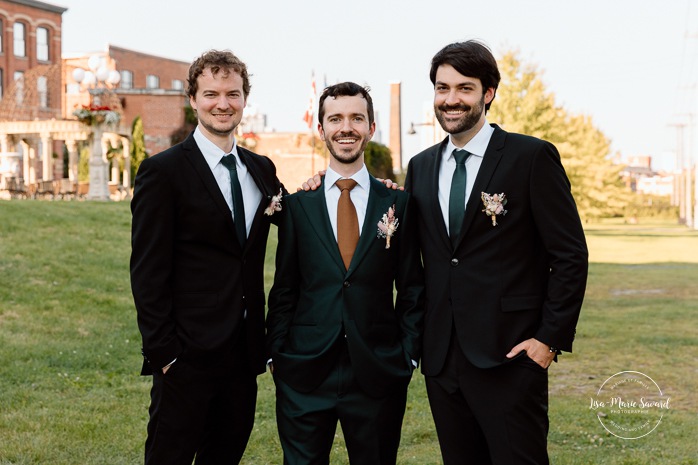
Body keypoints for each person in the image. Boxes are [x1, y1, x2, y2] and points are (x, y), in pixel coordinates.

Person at [404, 40, 589, 465]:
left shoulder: (530, 157)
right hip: (443, 360)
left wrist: (547, 341)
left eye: (464, 88)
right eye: (442, 88)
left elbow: (569, 254)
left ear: (488, 94)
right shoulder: (421, 166)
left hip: (512, 357)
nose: (451, 99)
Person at [130, 49, 286, 465]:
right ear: (193, 99)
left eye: (232, 93)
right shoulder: (162, 172)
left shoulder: (261, 168)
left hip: (244, 355)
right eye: (212, 93)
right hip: (185, 359)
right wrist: (165, 356)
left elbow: (297, 223)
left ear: (244, 99)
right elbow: (147, 272)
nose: (223, 103)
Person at [266, 81, 425, 465]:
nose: (346, 127)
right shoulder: (298, 206)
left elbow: (412, 287)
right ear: (321, 129)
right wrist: (278, 355)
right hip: (304, 371)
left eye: (357, 118)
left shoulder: (399, 203)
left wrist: (408, 355)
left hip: (377, 370)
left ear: (371, 127)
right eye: (335, 119)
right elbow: (284, 287)